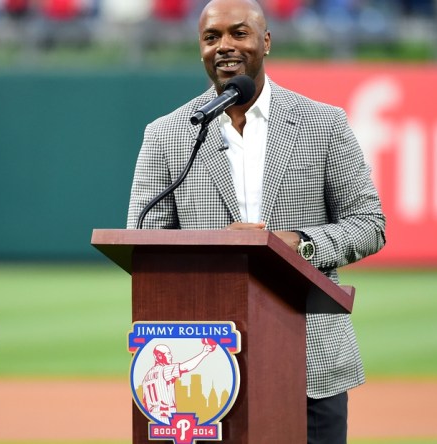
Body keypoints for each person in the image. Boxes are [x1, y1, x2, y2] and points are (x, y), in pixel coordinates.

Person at [125, 0, 386, 442]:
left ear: (266, 41)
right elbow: (143, 241)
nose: (224, 46)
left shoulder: (324, 124)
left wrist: (296, 244)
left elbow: (369, 222)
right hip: (202, 367)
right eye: (211, 38)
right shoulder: (166, 133)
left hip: (311, 361)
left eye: (238, 33)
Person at [141, 343, 214, 424]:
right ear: (159, 356)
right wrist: (203, 353)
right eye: (168, 354)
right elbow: (186, 367)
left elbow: (145, 404)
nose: (171, 356)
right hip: (166, 414)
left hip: (152, 416)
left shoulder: (145, 378)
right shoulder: (164, 370)